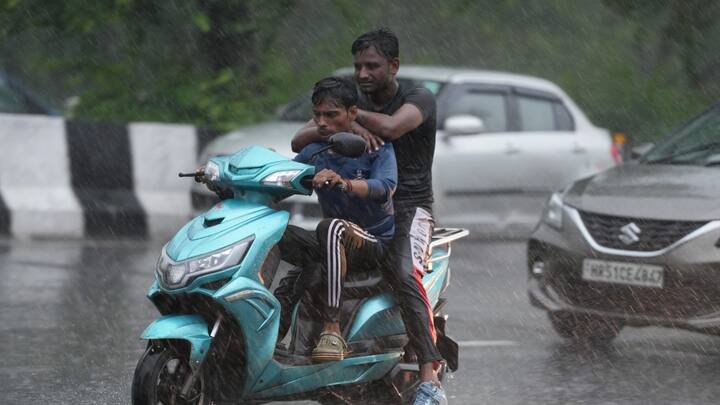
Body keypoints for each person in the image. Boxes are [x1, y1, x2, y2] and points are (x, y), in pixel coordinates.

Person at [291, 29, 447, 405]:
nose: (362, 74)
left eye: (372, 66)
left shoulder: (417, 98)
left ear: (394, 66)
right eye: (358, 65)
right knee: (299, 257)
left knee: (402, 271)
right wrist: (350, 123)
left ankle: (429, 376)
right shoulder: (352, 102)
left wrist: (356, 119)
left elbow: (393, 128)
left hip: (409, 206)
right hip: (361, 208)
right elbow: (300, 140)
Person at [277, 76, 397, 363]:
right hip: (331, 244)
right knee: (276, 230)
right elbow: (283, 183)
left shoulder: (376, 147)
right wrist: (230, 181)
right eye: (317, 115)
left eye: (331, 115)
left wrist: (345, 183)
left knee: (330, 227)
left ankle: (332, 330)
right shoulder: (315, 150)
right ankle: (260, 333)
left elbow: (386, 187)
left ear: (352, 113)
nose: (321, 123)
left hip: (372, 242)